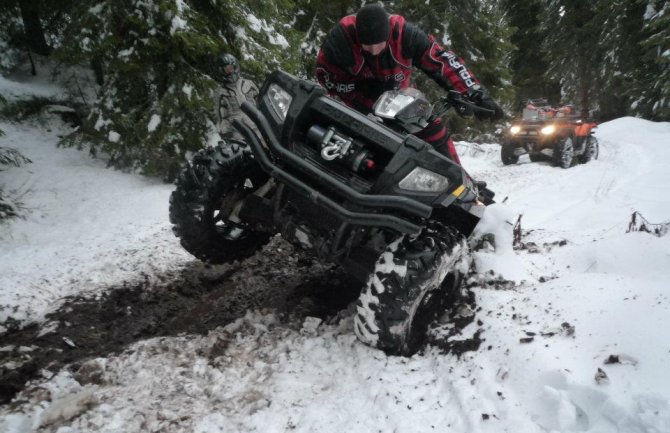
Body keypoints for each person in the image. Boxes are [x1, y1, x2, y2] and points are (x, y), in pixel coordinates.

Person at [316, 3, 504, 164]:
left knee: (434, 128)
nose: (373, 51)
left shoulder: (406, 35)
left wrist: (474, 92)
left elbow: (442, 61)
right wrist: (359, 90)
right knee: (373, 137)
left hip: (399, 97)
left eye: (379, 45)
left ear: (388, 34)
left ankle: (458, 180)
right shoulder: (340, 41)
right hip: (357, 99)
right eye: (367, 46)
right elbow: (325, 77)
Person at [213, 53, 259, 141]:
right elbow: (220, 117)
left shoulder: (249, 84)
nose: (230, 71)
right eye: (226, 69)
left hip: (258, 126)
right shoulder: (220, 93)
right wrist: (226, 132)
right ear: (222, 71)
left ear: (235, 67)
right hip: (239, 134)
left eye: (231, 68)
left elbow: (261, 102)